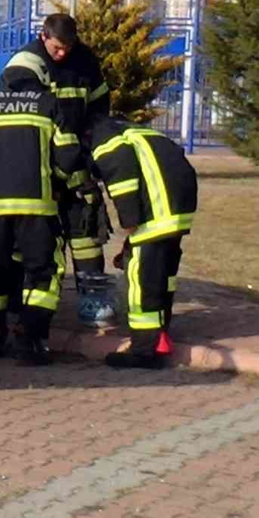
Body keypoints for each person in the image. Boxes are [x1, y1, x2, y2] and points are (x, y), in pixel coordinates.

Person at [0, 88, 86, 365]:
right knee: (43, 272)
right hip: (37, 207)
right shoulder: (48, 104)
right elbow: (69, 154)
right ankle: (29, 338)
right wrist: (55, 180)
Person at [0, 14, 111, 282]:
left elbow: (99, 107)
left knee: (85, 231)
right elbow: (29, 124)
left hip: (75, 161)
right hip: (36, 165)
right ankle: (23, 293)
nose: (62, 54)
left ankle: (91, 292)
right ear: (43, 36)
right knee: (33, 235)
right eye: (57, 48)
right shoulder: (25, 66)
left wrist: (86, 153)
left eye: (68, 48)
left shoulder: (85, 59)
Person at [85, 115, 198, 369]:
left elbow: (121, 172)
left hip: (156, 209)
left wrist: (130, 220)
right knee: (163, 275)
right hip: (177, 208)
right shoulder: (134, 131)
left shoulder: (103, 138)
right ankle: (160, 331)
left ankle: (144, 350)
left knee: (142, 278)